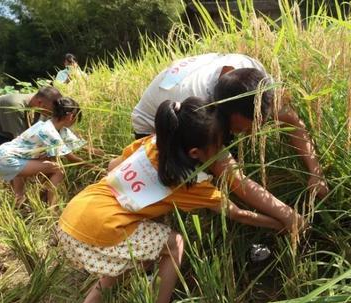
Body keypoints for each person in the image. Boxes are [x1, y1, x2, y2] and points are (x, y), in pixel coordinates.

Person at [58, 97, 284, 303]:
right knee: (174, 243)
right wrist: (279, 223)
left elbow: (112, 167)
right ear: (195, 152)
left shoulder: (152, 144)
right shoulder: (188, 183)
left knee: (146, 249)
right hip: (98, 228)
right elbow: (238, 214)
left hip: (76, 213)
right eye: (220, 146)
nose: (225, 152)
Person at [130, 53, 328, 235]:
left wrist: (315, 172)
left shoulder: (253, 81)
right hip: (157, 122)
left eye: (261, 123)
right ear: (222, 116)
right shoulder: (198, 111)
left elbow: (293, 122)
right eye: (243, 129)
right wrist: (289, 216)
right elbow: (235, 179)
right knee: (169, 182)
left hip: (191, 86)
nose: (254, 133)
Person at [0, 97, 88, 206]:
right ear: (70, 116)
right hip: (5, 160)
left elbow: (80, 145)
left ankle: (20, 199)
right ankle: (53, 208)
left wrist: (102, 155)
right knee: (57, 170)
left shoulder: (55, 128)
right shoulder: (48, 131)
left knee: (45, 160)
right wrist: (95, 167)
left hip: (3, 157)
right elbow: (71, 158)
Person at [0, 86, 62, 161]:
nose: (52, 113)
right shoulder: (15, 106)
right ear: (40, 103)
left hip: (3, 134)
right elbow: (21, 140)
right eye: (51, 110)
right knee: (17, 159)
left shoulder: (36, 106)